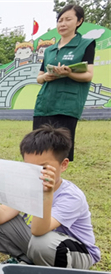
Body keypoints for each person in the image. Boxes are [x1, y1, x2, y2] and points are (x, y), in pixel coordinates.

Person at [0, 125, 100, 269]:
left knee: (41, 242)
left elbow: (38, 231)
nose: (37, 174)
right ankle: (27, 262)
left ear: (63, 165)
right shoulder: (27, 186)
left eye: (44, 167)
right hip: (44, 244)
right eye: (29, 168)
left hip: (76, 254)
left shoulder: (71, 197)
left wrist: (46, 194)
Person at [33, 4, 95, 162]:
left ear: (79, 21)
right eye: (60, 20)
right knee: (38, 149)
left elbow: (88, 75)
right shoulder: (49, 50)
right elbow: (39, 78)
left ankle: (56, 184)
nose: (63, 24)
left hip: (67, 106)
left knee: (59, 153)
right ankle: (40, 184)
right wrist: (46, 76)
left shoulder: (86, 44)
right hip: (44, 105)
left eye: (68, 19)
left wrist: (70, 73)